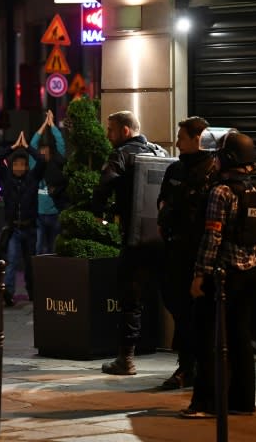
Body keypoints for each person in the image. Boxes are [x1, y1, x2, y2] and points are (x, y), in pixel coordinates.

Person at [180, 131, 256, 418]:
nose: (214, 160)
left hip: (223, 277)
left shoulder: (221, 193)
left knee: (208, 339)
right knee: (241, 337)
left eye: (218, 155)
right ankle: (243, 402)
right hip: (251, 274)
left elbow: (212, 239)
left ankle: (205, 403)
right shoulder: (255, 192)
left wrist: (199, 275)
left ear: (227, 159)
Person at [91, 111, 168, 376]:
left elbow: (105, 182)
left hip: (135, 241)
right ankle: (188, 364)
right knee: (173, 299)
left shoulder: (121, 154)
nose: (107, 134)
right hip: (162, 239)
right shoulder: (158, 152)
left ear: (125, 130)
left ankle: (126, 359)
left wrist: (98, 210)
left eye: (110, 129)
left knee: (130, 299)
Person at [157, 117, 217, 389]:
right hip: (175, 250)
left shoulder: (214, 169)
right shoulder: (175, 169)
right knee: (177, 306)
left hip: (200, 252)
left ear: (198, 138)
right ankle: (186, 365)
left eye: (181, 137)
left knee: (199, 313)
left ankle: (194, 368)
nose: (177, 141)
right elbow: (162, 200)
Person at [0, 130, 46, 306]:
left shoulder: (32, 178)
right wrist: (12, 147)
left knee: (30, 264)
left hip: (30, 228)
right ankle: (8, 293)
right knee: (10, 261)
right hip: (13, 228)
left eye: (22, 165)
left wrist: (27, 147)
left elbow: (41, 160)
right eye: (15, 165)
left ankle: (32, 292)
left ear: (26, 166)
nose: (18, 168)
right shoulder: (7, 179)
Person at [28, 110, 68, 255]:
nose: (43, 153)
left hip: (55, 214)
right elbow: (32, 144)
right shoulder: (34, 166)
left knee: (55, 249)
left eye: (46, 151)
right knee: (38, 249)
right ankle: (38, 276)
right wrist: (44, 124)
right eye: (41, 151)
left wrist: (53, 126)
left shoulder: (56, 165)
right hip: (38, 215)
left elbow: (61, 144)